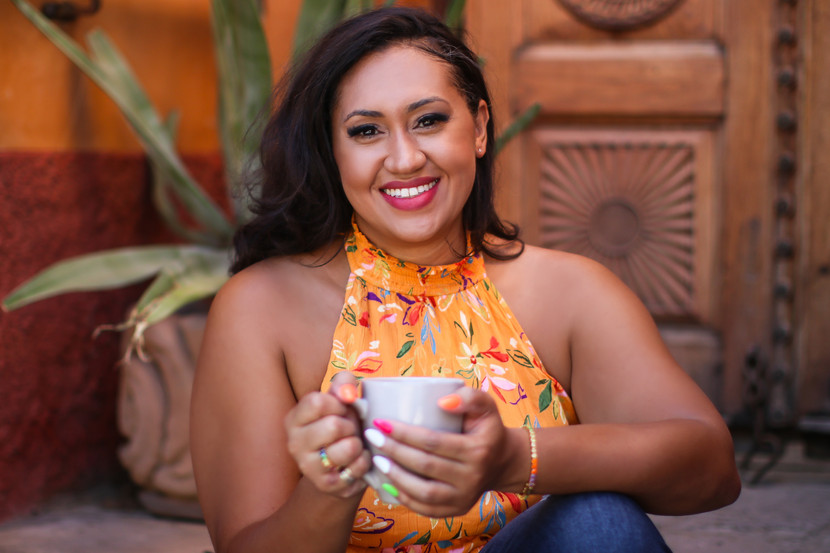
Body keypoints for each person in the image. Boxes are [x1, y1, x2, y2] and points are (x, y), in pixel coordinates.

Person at [190, 7, 741, 553]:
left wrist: (513, 457)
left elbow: (712, 468)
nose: (404, 158)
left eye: (429, 120)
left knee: (600, 520)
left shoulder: (569, 292)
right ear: (333, 154)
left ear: (478, 128)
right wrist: (333, 485)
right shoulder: (261, 308)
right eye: (366, 131)